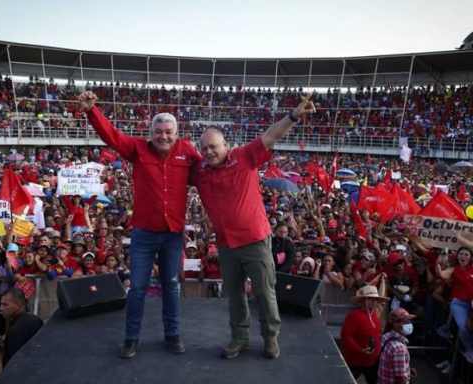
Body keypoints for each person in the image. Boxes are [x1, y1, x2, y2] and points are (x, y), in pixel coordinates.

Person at [190, 95, 315, 359]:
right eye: (204, 149)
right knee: (234, 296)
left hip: (255, 240)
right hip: (225, 244)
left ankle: (270, 338)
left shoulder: (244, 156)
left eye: (213, 146)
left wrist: (293, 116)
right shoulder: (200, 172)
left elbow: (270, 137)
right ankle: (240, 338)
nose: (209, 152)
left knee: (264, 293)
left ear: (226, 145)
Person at [79, 91, 202, 358]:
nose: (163, 136)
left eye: (169, 131)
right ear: (151, 132)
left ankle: (172, 334)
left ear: (176, 133)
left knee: (171, 286)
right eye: (158, 131)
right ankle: (132, 338)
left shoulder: (188, 152)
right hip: (144, 234)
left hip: (172, 235)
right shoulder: (137, 148)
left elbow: (207, 172)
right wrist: (92, 111)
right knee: (136, 289)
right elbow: (110, 135)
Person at [341, 285, 389, 384]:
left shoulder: (375, 314)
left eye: (375, 299)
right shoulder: (354, 316)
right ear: (363, 300)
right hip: (355, 360)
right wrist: (359, 350)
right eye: (371, 299)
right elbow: (346, 336)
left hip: (372, 360)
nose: (374, 301)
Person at [0, 287, 43, 368]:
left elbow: (13, 363)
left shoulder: (15, 331)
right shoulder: (36, 320)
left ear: (18, 305)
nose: (1, 308)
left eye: (5, 305)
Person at [377, 308, 417, 384]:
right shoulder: (399, 348)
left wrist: (407, 370)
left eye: (409, 321)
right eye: (405, 321)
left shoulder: (386, 336)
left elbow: (390, 363)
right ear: (395, 325)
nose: (409, 324)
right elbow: (400, 379)